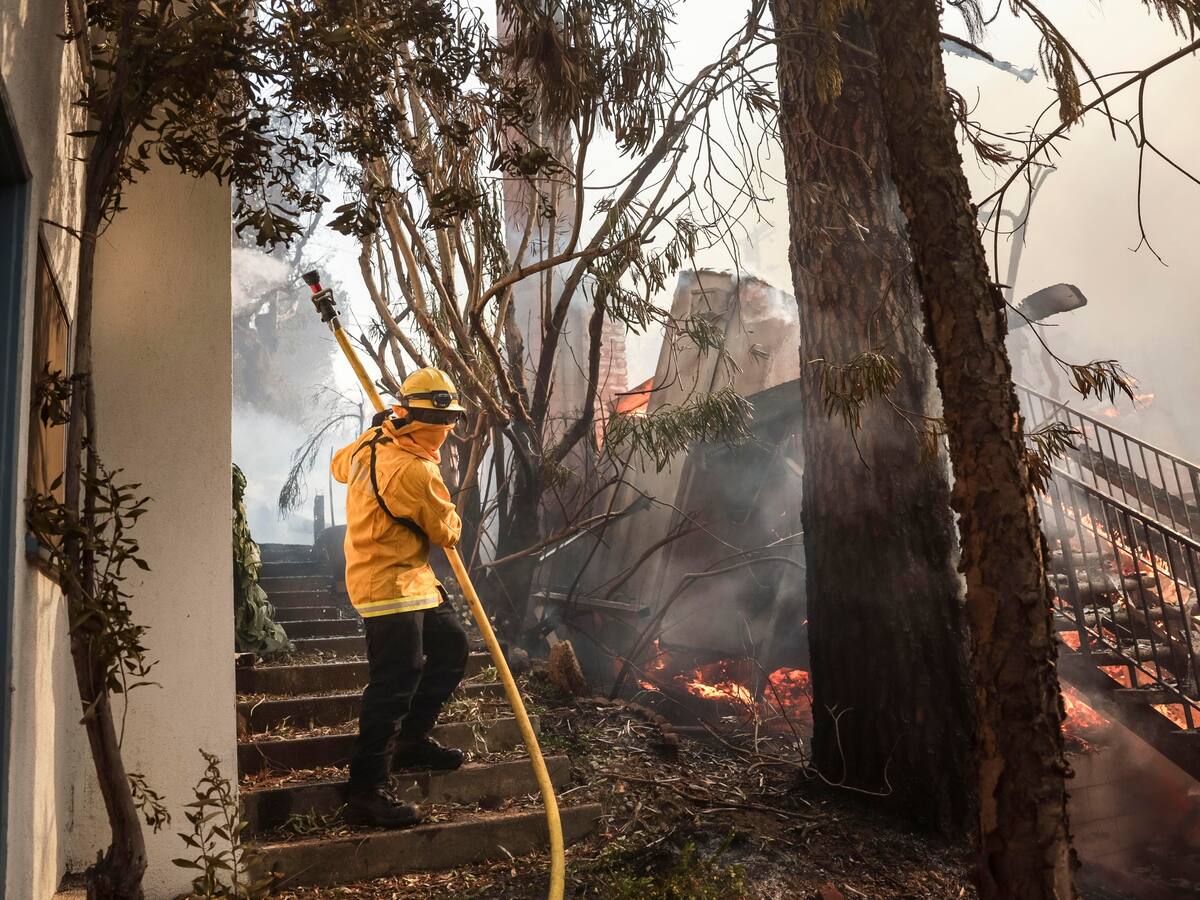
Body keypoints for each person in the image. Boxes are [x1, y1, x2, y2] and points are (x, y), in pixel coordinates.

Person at [330, 367, 471, 828]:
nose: (446, 432)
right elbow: (447, 530)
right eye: (445, 424)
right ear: (439, 423)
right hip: (389, 588)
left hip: (413, 580)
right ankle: (365, 789)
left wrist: (372, 431)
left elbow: (336, 466)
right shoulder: (416, 469)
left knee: (451, 647)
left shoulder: (371, 443)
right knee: (395, 683)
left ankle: (411, 741)